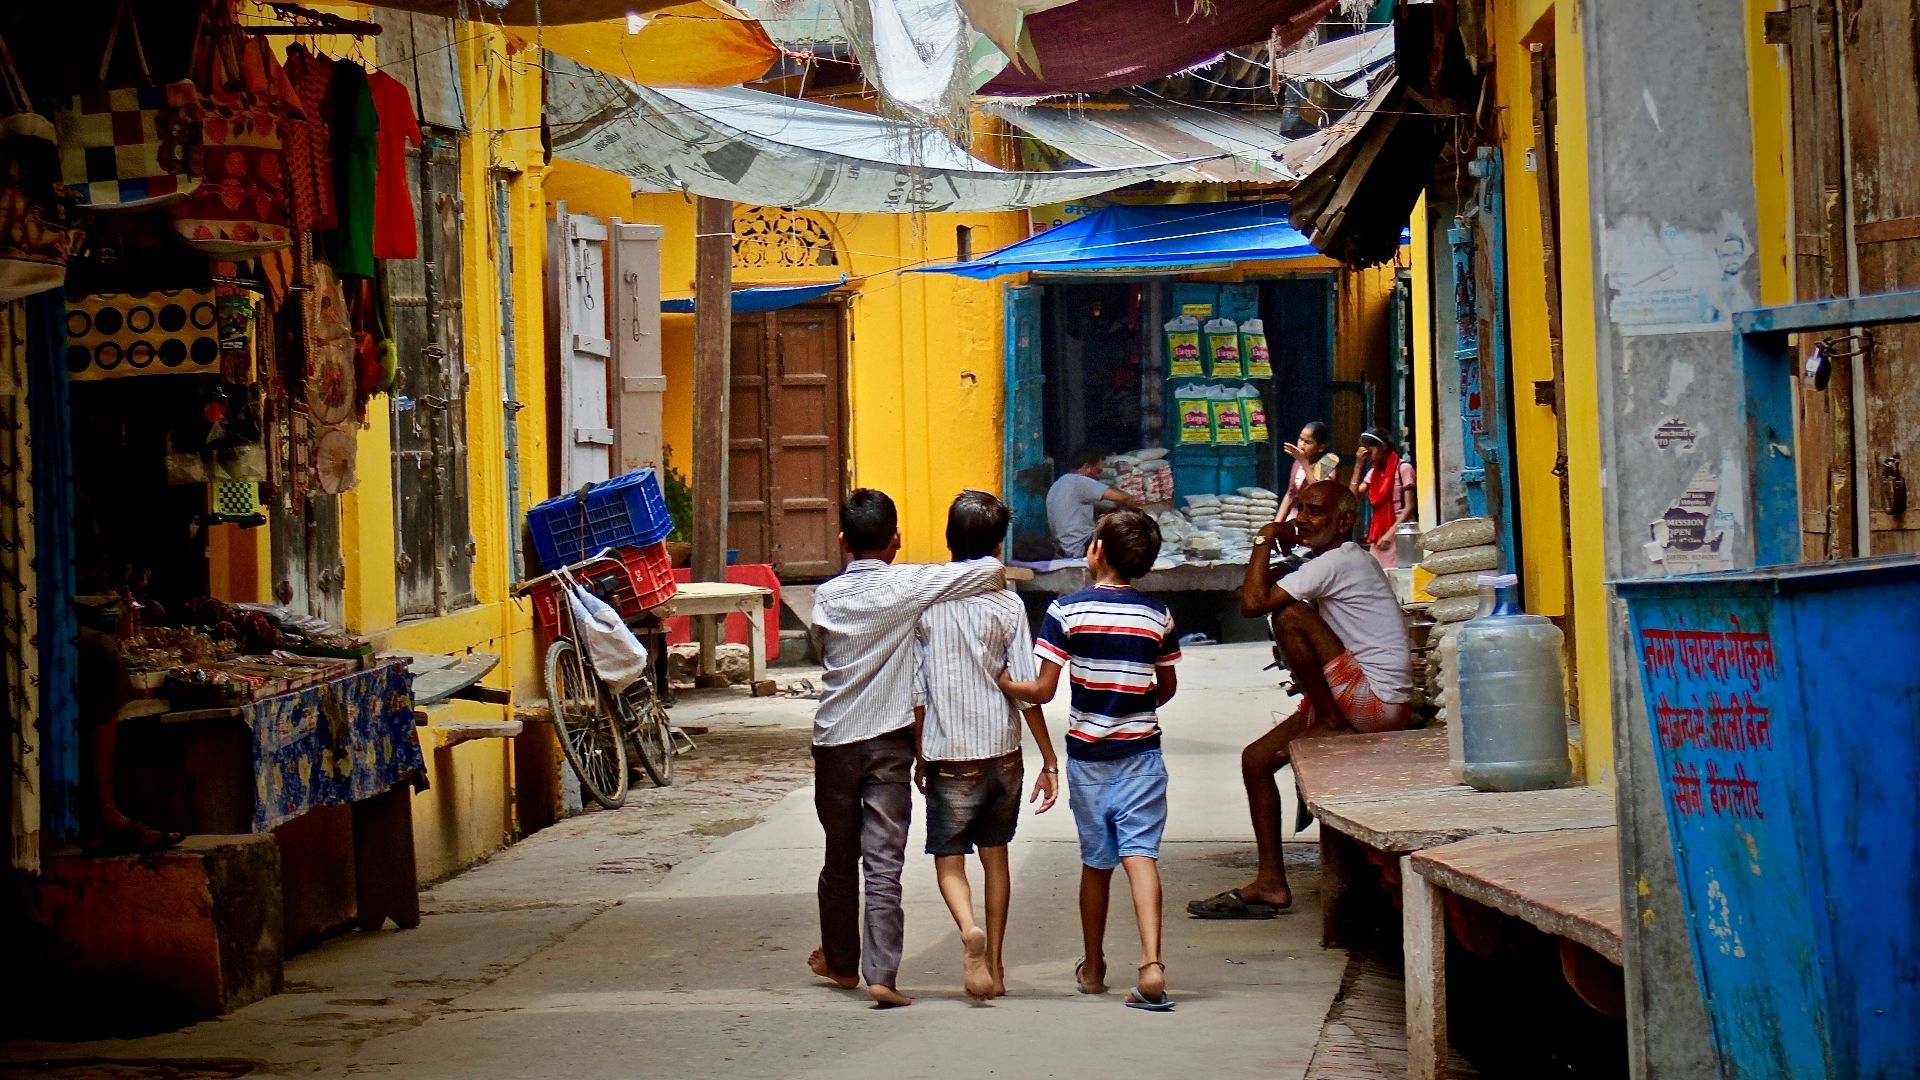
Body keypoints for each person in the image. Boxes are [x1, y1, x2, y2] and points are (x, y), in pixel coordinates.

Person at [807, 488, 1006, 1008]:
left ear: (843, 541)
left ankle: (841, 960)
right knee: (884, 860)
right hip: (889, 744)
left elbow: (821, 645)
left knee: (839, 856)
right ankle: (882, 974)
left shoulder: (825, 597)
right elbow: (986, 572)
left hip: (834, 742)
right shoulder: (911, 585)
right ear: (896, 539)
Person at [1188, 481, 1412, 919]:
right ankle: (1271, 881)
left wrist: (1263, 538)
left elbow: (1255, 603)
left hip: (1374, 704)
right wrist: (1272, 552)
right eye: (1301, 511)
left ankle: (1327, 718)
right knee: (1256, 761)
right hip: (1359, 697)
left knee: (1289, 614)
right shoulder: (1328, 561)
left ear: (1345, 521)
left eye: (1315, 513)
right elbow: (1256, 586)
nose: (1303, 520)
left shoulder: (1341, 561)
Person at [998, 508, 1181, 1011]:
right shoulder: (1157, 615)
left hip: (1088, 761)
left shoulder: (1066, 611)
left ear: (1095, 550)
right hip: (1143, 754)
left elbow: (1042, 688)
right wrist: (1131, 704)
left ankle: (1095, 966)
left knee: (1096, 863)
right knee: (1140, 856)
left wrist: (1004, 683)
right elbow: (1165, 686)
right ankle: (1151, 965)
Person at [910, 491, 1060, 1001]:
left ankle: (967, 928)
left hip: (950, 751)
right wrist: (1049, 757)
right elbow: (1024, 688)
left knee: (949, 859)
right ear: (998, 546)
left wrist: (919, 752)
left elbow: (918, 692)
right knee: (997, 858)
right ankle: (994, 966)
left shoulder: (926, 606)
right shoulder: (1008, 604)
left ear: (949, 541)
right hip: (1003, 751)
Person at [1045, 447, 1136, 559]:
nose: (1098, 477)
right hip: (1080, 547)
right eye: (1098, 471)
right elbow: (1124, 497)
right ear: (1086, 467)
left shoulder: (1058, 483)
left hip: (1064, 547)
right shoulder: (1079, 481)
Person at [1351, 428, 1416, 568]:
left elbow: (1409, 506)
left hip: (1399, 533)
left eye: (1371, 451)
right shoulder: (1373, 473)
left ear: (1383, 447)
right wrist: (1358, 466)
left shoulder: (1404, 468)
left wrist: (1390, 534)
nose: (1368, 456)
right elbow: (1353, 497)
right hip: (1379, 534)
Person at [1274, 421, 1340, 525]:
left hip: (1318, 521)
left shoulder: (1328, 462)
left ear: (1321, 447)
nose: (1301, 445)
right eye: (1300, 439)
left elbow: (1318, 492)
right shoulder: (1297, 462)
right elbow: (1290, 494)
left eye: (1308, 442)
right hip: (1297, 517)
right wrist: (1276, 524)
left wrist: (1304, 463)